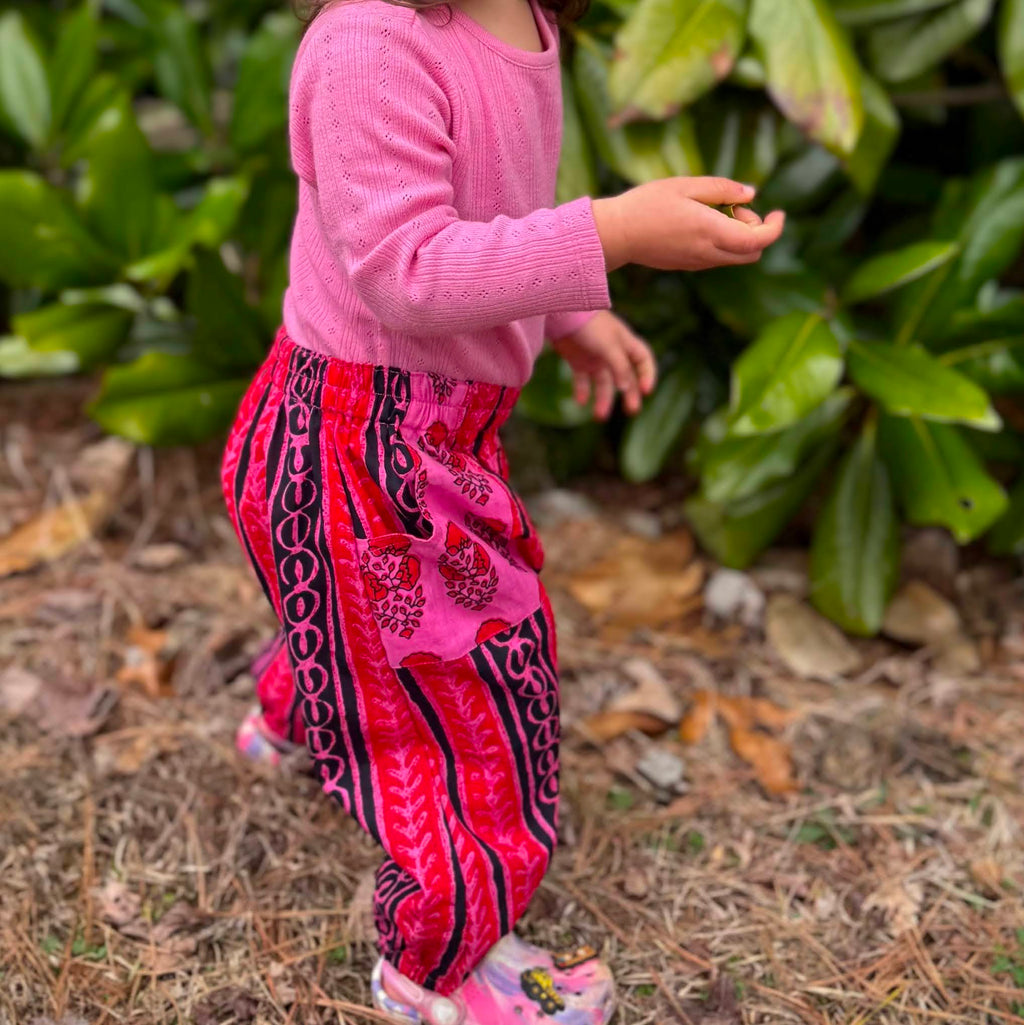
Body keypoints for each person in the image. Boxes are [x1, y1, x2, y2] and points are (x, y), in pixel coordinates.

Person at [221, 0, 785, 1018]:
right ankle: (436, 966)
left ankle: (295, 721)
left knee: (368, 630)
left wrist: (566, 311)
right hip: (360, 443)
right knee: (469, 693)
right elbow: (405, 270)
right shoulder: (369, 45)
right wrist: (611, 233)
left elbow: (486, 207)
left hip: (416, 430)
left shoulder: (519, 16)